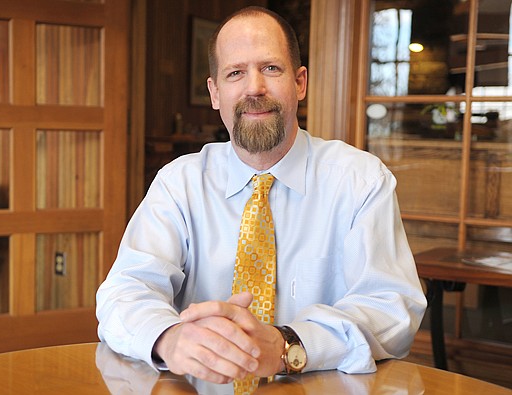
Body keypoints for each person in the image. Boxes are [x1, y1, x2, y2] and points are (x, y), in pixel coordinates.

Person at [96, 5, 427, 387]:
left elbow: (393, 308)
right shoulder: (179, 184)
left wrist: (287, 344)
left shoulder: (361, 181)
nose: (254, 87)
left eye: (271, 68)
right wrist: (169, 338)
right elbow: (124, 291)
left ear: (300, 83)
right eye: (235, 73)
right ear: (215, 92)